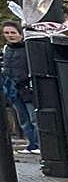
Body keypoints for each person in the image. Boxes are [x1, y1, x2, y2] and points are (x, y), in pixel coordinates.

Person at [1, 22, 38, 153]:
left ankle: (38, 144)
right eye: (7, 33)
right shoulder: (6, 49)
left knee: (33, 117)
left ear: (20, 34)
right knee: (22, 118)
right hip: (13, 89)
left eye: (12, 32)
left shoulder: (28, 48)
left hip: (26, 87)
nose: (10, 35)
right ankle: (32, 144)